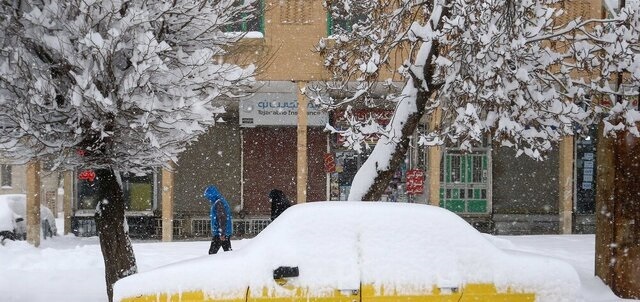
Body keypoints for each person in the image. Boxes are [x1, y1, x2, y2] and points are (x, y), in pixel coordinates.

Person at [204, 185, 233, 254]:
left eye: (208, 197)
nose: (208, 199)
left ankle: (212, 264)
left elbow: (222, 218)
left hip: (220, 233)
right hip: (223, 232)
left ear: (212, 195)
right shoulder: (220, 202)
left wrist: (222, 233)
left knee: (212, 253)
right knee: (228, 252)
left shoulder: (218, 203)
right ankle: (233, 263)